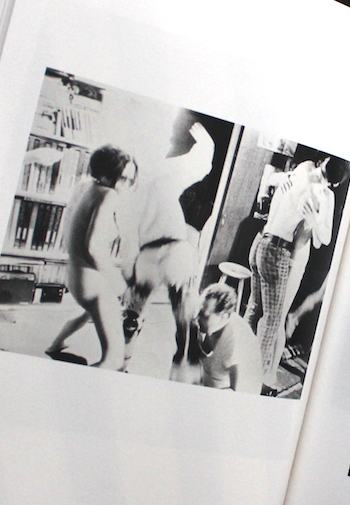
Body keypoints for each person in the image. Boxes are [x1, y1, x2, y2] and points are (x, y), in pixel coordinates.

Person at [245, 154, 350, 392]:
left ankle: (261, 371)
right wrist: (281, 180)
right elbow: (277, 179)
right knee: (272, 319)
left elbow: (324, 238)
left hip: (281, 249)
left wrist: (314, 220)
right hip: (279, 249)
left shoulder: (319, 188)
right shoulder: (310, 178)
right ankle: (258, 375)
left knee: (266, 313)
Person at [121, 120, 215, 375]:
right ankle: (186, 362)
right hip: (173, 249)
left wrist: (128, 274)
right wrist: (205, 140)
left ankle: (122, 364)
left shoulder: (128, 186)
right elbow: (201, 164)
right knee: (183, 313)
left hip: (147, 255)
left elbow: (127, 236)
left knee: (133, 315)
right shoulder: (162, 171)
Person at [46, 145, 137, 369]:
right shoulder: (109, 195)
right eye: (122, 178)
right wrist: (118, 284)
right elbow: (93, 247)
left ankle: (56, 344)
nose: (125, 185)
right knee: (114, 360)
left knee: (90, 311)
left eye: (130, 180)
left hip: (75, 277)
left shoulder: (86, 187)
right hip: (91, 283)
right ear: (105, 174)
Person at [190, 283, 263, 393]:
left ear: (224, 317)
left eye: (204, 316)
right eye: (198, 311)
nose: (196, 317)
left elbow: (236, 394)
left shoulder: (236, 344)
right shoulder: (210, 325)